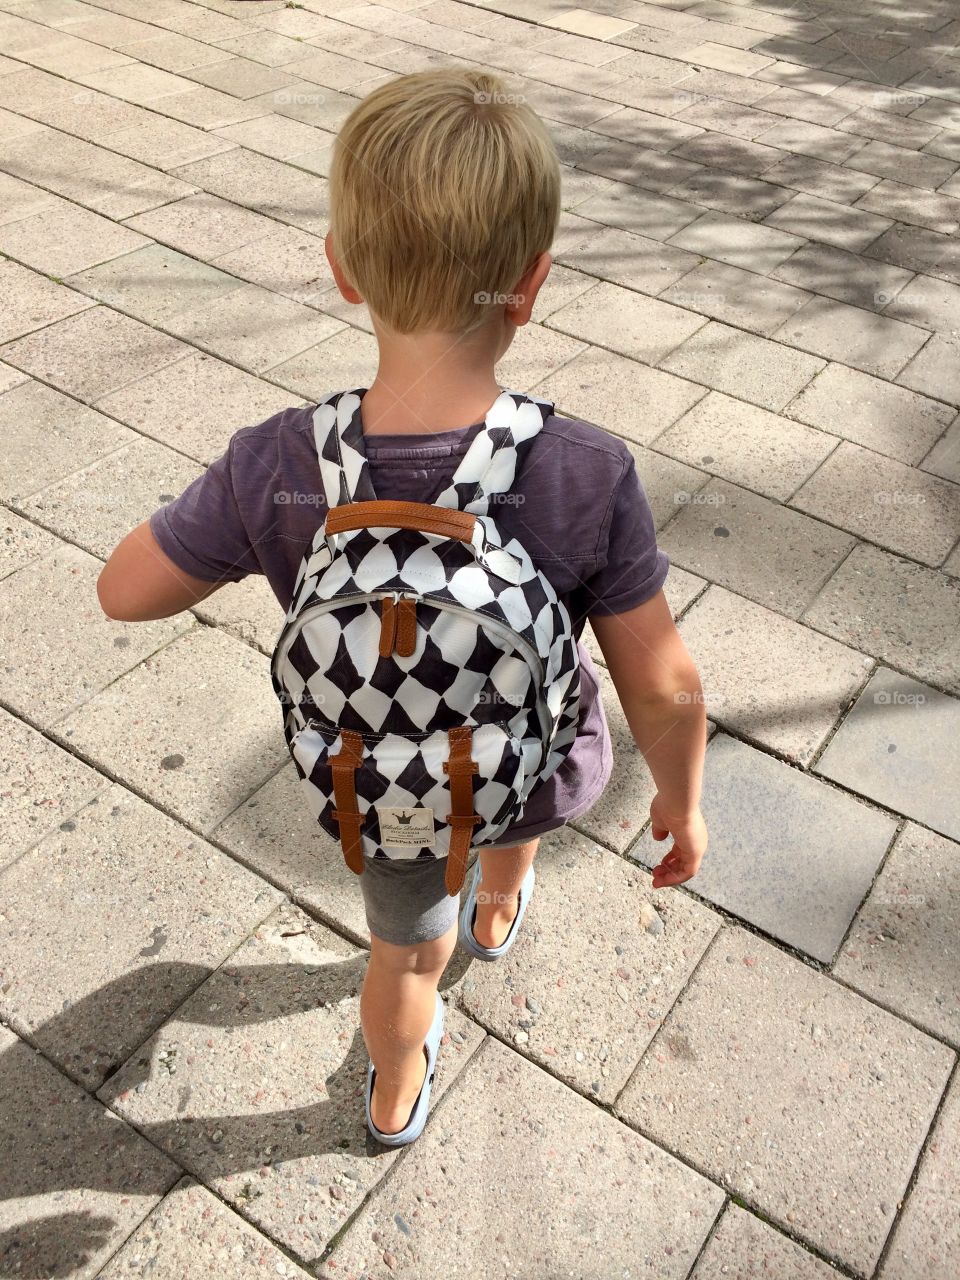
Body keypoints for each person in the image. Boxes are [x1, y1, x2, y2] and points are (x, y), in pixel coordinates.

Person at [97, 67, 708, 1145]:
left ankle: (389, 1090)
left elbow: (123, 589)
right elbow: (663, 683)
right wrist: (681, 798)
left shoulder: (280, 463)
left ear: (341, 270)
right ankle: (501, 897)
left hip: (389, 781)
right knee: (516, 813)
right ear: (532, 284)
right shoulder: (583, 470)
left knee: (403, 956)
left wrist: (221, 518)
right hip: (527, 753)